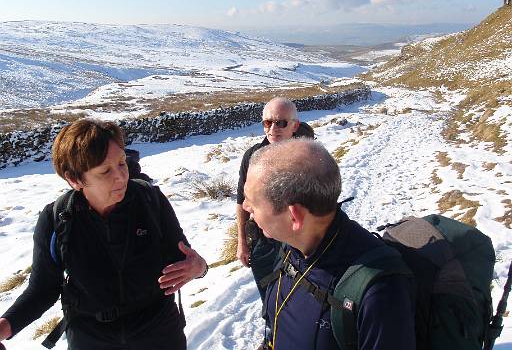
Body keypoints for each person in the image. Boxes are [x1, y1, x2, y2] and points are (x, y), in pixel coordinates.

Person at [0, 119, 208, 350]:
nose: (120, 176)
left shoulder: (150, 200)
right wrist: (4, 326)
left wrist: (199, 268)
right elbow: (43, 289)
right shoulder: (57, 218)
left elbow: (184, 259)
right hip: (90, 337)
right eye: (105, 171)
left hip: (158, 331)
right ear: (74, 179)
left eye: (121, 163)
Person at [242, 139, 416, 350]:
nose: (245, 206)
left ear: (294, 217)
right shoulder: (291, 246)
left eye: (253, 201)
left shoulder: (379, 294)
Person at [236, 97, 300, 301]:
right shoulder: (252, 156)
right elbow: (241, 201)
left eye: (281, 123)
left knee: (300, 297)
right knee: (269, 296)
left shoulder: (308, 157)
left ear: (294, 125)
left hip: (298, 242)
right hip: (263, 245)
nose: (273, 128)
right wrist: (242, 242)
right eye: (268, 122)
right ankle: (272, 331)